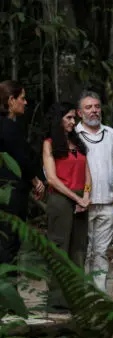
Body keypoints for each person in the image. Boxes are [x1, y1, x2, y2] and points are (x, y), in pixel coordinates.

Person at [42, 102, 91, 309]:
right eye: (69, 118)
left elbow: (87, 171)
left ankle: (76, 297)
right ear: (59, 119)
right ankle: (56, 300)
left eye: (74, 118)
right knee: (59, 247)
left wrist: (86, 196)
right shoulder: (49, 143)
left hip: (81, 198)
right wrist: (76, 198)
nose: (73, 122)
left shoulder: (78, 143)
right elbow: (51, 179)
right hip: (61, 199)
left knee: (79, 248)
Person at [75, 90, 113, 292]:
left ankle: (100, 292)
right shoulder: (73, 134)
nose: (94, 111)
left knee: (102, 252)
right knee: (84, 251)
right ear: (79, 113)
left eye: (96, 106)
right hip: (82, 203)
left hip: (108, 203)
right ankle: (83, 293)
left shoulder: (110, 133)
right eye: (88, 107)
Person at [0, 80, 45, 268]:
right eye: (22, 98)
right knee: (9, 246)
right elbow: (22, 159)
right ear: (11, 100)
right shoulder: (9, 128)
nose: (25, 103)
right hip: (10, 196)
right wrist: (36, 181)